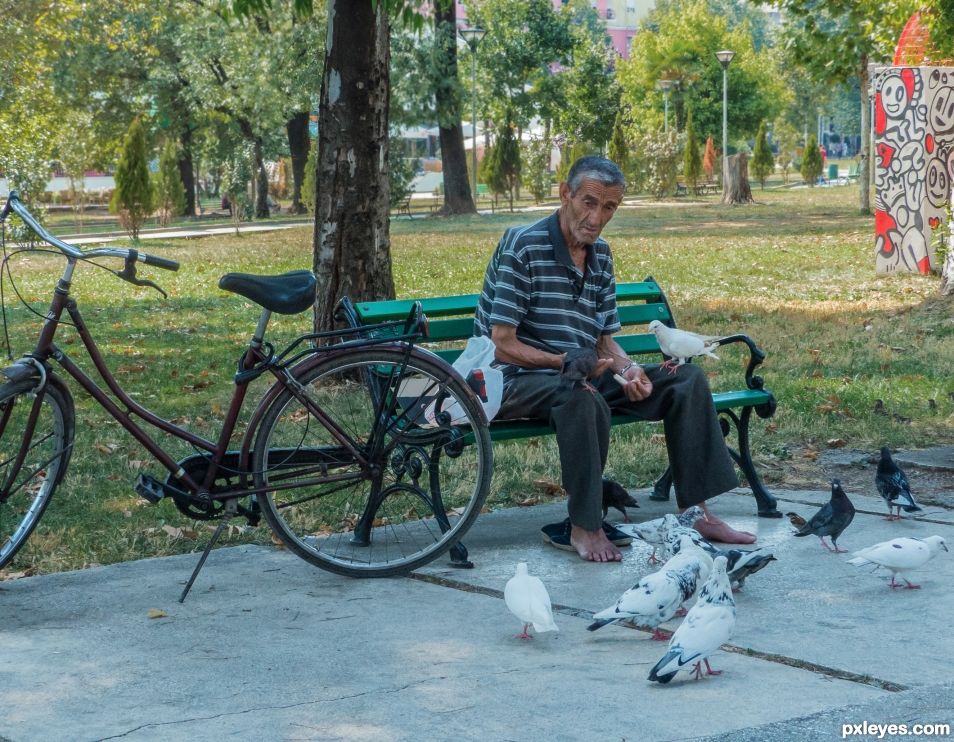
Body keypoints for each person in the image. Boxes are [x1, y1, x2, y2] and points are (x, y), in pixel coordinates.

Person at [474, 155, 756, 563]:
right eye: (589, 202)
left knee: (686, 381)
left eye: (609, 207)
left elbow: (605, 341)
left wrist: (628, 368)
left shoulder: (600, 255)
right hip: (513, 379)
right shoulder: (524, 244)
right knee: (582, 395)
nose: (597, 217)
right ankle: (585, 525)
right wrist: (567, 363)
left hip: (580, 373)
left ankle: (697, 513)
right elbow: (502, 343)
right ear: (565, 194)